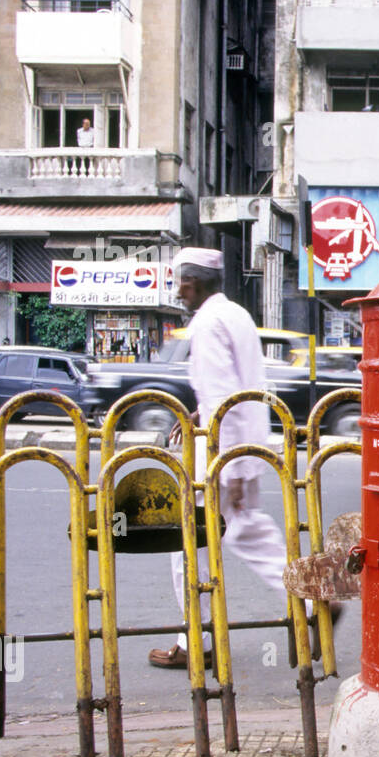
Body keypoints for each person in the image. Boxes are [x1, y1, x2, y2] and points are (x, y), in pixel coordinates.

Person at [149, 248, 298, 668]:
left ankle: (193, 640)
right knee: (250, 532)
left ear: (191, 284)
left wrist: (229, 468)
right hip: (246, 444)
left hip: (223, 454)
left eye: (180, 283)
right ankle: (309, 603)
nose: (178, 292)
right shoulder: (235, 314)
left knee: (185, 543)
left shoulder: (208, 323)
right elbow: (236, 386)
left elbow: (222, 395)